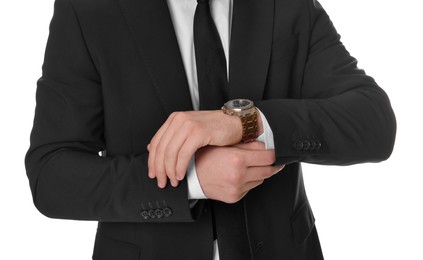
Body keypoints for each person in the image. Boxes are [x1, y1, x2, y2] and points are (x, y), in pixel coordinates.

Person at [25, 0, 396, 259]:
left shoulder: (287, 5)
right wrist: (193, 180)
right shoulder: (88, 10)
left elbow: (374, 123)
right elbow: (52, 175)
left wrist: (246, 122)